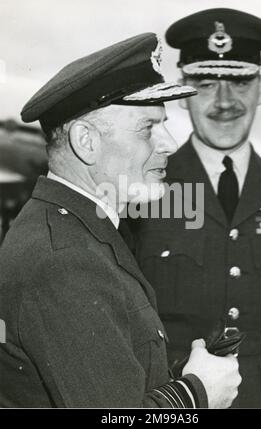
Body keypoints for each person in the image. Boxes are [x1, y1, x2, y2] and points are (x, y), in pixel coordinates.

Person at [0, 33, 241, 408]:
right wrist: (197, 395)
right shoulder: (65, 260)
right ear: (87, 141)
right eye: (148, 127)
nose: (169, 144)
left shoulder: (81, 231)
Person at [129, 10, 261, 408]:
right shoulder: (141, 189)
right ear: (182, 90)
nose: (224, 102)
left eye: (240, 82)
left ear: (260, 89)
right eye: (205, 84)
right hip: (174, 402)